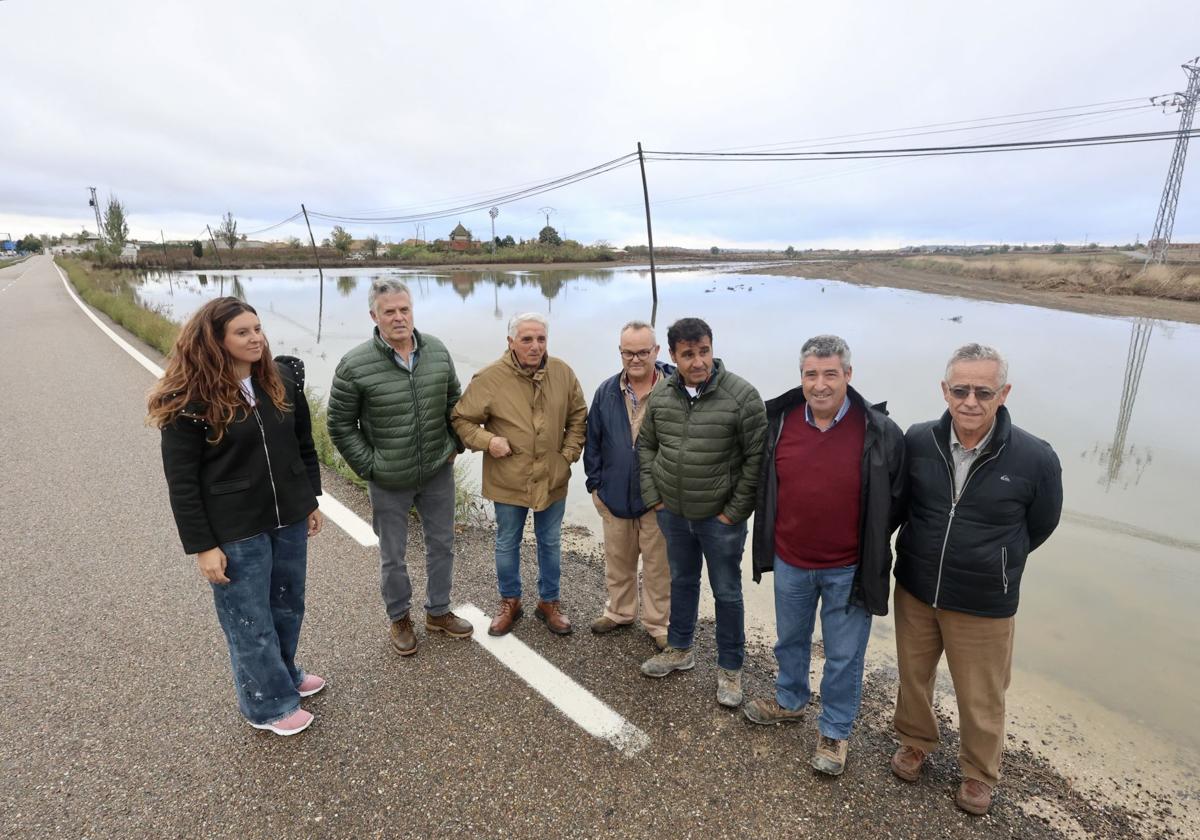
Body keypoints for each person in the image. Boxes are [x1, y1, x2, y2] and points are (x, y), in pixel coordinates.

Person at [891, 343, 1062, 815]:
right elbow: (901, 502)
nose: (971, 401)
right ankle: (915, 741)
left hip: (985, 600)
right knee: (913, 677)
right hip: (916, 587)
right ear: (944, 390)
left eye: (983, 391)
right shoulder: (918, 439)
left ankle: (978, 773)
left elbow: (1042, 524)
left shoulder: (1034, 457)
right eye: (961, 389)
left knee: (982, 693)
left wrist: (996, 560)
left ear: (1003, 393)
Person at [149, 297, 324, 737]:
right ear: (216, 340)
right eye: (243, 332)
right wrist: (203, 546)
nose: (256, 338)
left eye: (258, 329)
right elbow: (182, 483)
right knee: (250, 620)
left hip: (287, 516)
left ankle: (284, 675)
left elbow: (302, 447)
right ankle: (266, 706)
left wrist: (310, 501)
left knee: (287, 605)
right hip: (234, 529)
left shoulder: (281, 379)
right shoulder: (189, 400)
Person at [744, 335, 905, 776]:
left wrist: (867, 543)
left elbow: (896, 500)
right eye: (811, 374)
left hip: (848, 568)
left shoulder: (878, 431)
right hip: (792, 560)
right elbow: (764, 484)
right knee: (789, 640)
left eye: (830, 374)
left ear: (848, 376)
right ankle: (790, 700)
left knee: (843, 656)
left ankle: (834, 731)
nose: (820, 384)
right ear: (801, 377)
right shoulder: (779, 421)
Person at [327, 279, 472, 657]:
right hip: (389, 479)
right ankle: (400, 618)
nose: (398, 317)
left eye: (404, 309)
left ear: (412, 310)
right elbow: (340, 424)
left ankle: (438, 611)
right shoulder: (354, 365)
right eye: (389, 311)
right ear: (374, 315)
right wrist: (371, 466)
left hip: (438, 471)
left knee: (442, 545)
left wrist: (455, 444)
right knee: (394, 555)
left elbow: (454, 403)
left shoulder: (437, 351)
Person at [637, 317, 766, 708]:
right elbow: (646, 448)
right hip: (673, 514)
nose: (698, 362)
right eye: (688, 354)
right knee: (682, 581)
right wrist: (655, 499)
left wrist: (733, 512)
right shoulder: (661, 397)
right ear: (673, 356)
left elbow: (755, 461)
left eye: (704, 351)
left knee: (727, 592)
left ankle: (730, 668)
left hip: (720, 520)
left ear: (712, 348)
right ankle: (680, 649)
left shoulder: (742, 397)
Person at [451, 313, 587, 636]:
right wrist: (489, 441)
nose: (535, 346)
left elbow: (578, 416)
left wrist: (566, 456)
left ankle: (549, 602)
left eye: (540, 339)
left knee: (550, 541)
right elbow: (461, 419)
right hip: (508, 479)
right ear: (510, 342)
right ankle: (510, 602)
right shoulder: (489, 378)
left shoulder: (563, 373)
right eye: (527, 339)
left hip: (552, 478)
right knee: (507, 541)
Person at [583, 320, 673, 650]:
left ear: (656, 351)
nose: (635, 359)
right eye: (628, 352)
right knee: (618, 562)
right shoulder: (606, 391)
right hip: (614, 496)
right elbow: (592, 442)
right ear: (620, 352)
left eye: (642, 352)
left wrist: (671, 495)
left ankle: (657, 623)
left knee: (658, 567)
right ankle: (620, 612)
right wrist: (596, 487)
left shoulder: (675, 390)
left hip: (658, 501)